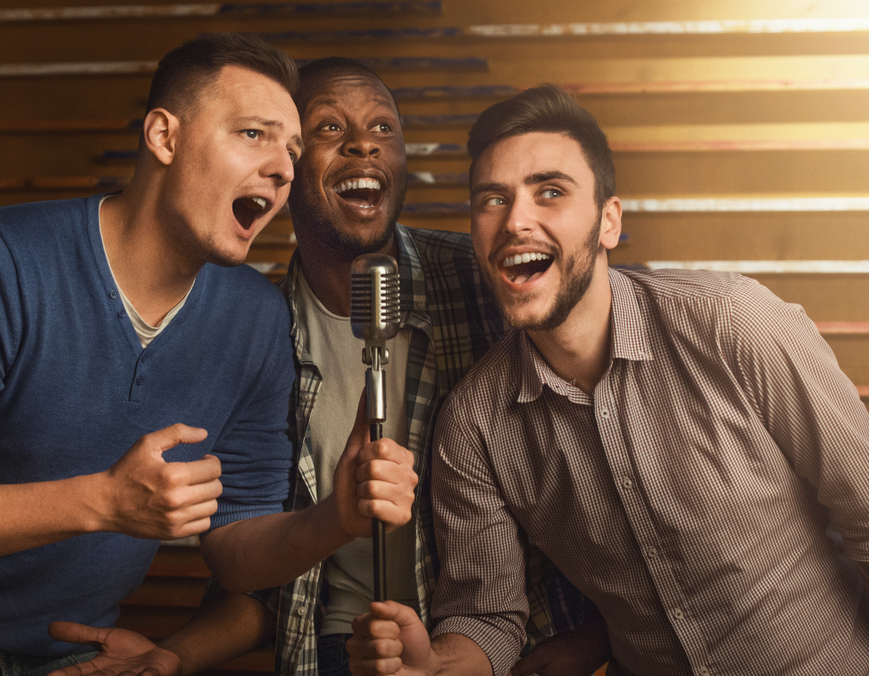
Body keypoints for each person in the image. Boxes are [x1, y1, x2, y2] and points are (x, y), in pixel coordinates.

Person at [0, 35, 416, 676]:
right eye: (253, 135)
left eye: (291, 150)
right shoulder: (3, 260)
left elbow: (236, 547)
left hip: (69, 656)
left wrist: (336, 519)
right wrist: (100, 501)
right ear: (164, 136)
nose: (283, 169)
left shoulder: (256, 319)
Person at [47, 61, 609, 676]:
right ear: (286, 169)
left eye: (382, 128)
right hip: (338, 650)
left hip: (517, 648)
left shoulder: (496, 281)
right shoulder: (256, 333)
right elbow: (260, 572)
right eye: (328, 128)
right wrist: (175, 656)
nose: (363, 143)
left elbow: (608, 454)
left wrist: (588, 642)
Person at [347, 83, 869, 676]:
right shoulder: (473, 425)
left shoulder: (733, 324)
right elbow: (485, 615)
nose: (516, 219)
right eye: (492, 199)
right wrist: (435, 666)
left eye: (550, 192)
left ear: (608, 222)